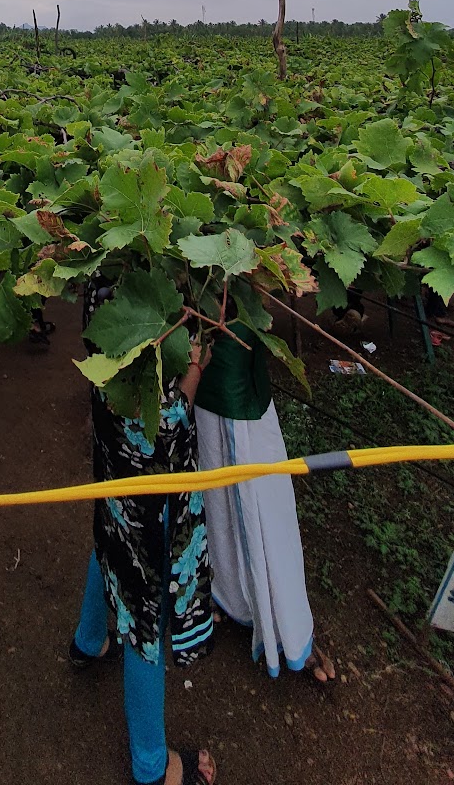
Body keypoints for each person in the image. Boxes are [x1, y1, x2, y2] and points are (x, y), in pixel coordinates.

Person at [70, 280, 218, 785]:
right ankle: (154, 766)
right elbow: (164, 421)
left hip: (113, 451)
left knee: (113, 535)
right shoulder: (160, 283)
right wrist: (196, 368)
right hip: (152, 477)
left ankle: (89, 641)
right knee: (146, 608)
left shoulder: (100, 269)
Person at [194, 319, 334, 683]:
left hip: (235, 365)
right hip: (211, 361)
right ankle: (242, 603)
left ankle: (285, 628)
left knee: (260, 497)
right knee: (226, 494)